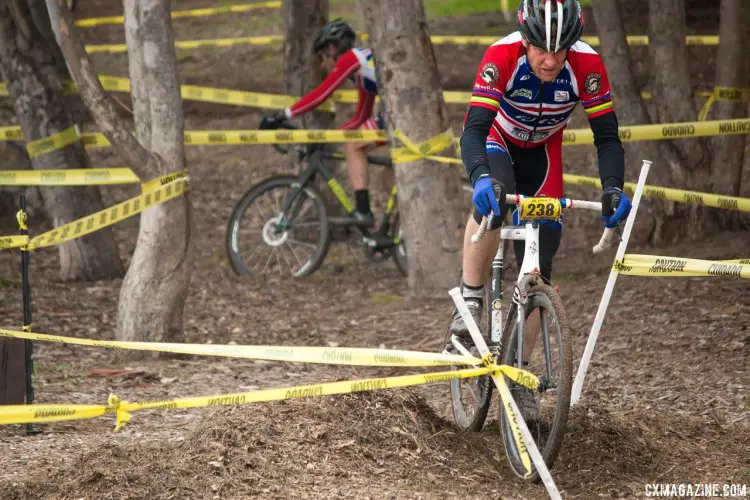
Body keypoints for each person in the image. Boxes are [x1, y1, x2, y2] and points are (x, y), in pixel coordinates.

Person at [448, 0, 632, 417]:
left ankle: (520, 373)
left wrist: (613, 189)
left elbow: (607, 138)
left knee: (539, 266)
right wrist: (479, 176)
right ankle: (472, 299)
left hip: (544, 153)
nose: (550, 61)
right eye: (540, 50)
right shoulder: (502, 56)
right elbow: (474, 130)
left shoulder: (587, 66)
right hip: (498, 142)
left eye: (560, 50)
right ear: (525, 40)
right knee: (495, 201)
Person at [261, 19, 390, 227]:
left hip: (395, 115)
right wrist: (326, 135)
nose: (322, 64)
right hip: (393, 113)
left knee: (352, 145)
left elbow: (321, 95)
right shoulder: (362, 65)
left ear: (332, 48)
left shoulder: (350, 59)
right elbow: (360, 118)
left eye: (322, 57)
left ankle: (363, 211)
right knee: (386, 175)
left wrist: (282, 115)